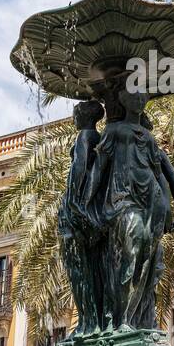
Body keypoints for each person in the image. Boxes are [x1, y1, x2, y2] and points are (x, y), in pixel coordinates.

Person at [86, 87, 174, 331]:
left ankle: (134, 319)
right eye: (136, 97)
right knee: (130, 254)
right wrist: (87, 199)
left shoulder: (149, 138)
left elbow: (161, 174)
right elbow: (99, 167)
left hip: (151, 200)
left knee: (147, 261)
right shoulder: (114, 130)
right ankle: (119, 319)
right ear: (125, 100)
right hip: (123, 199)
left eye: (143, 98)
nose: (140, 101)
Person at [59, 100, 105, 334]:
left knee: (79, 270)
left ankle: (88, 324)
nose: (73, 117)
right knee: (94, 271)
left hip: (75, 214)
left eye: (75, 113)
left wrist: (75, 201)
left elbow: (79, 167)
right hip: (93, 212)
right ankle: (95, 321)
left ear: (84, 116)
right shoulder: (98, 138)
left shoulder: (85, 137)